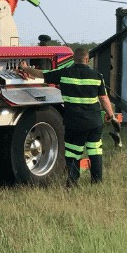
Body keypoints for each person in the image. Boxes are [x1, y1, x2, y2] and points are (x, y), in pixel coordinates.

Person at [22, 45, 117, 185]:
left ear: (73, 59)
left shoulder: (64, 73)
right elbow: (104, 99)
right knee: (95, 151)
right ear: (87, 59)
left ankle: (72, 182)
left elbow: (42, 75)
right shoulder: (97, 77)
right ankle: (97, 182)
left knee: (73, 152)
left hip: (74, 122)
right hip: (94, 122)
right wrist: (112, 115)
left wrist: (25, 69)